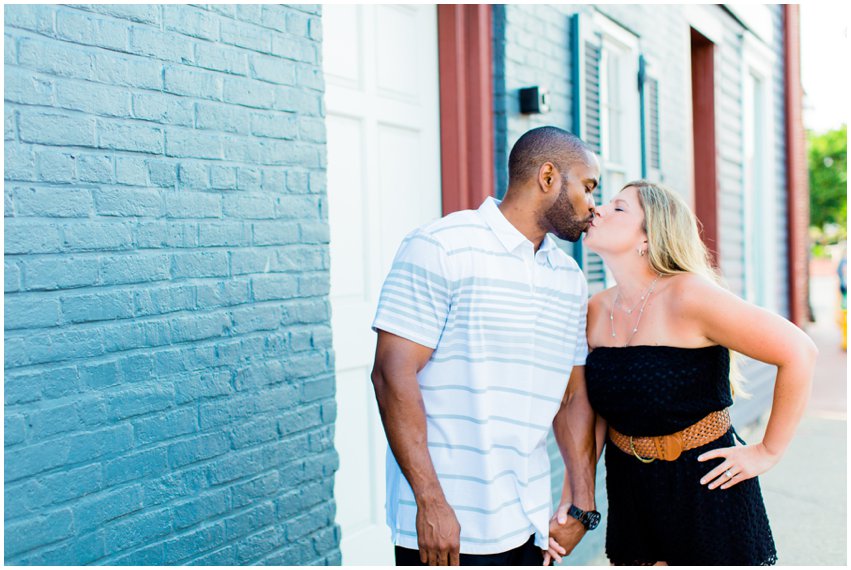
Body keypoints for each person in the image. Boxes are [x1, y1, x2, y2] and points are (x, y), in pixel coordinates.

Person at [550, 180, 817, 565]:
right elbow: (595, 415)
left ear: (649, 236)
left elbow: (798, 351)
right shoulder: (594, 310)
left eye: (619, 207)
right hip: (631, 487)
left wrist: (766, 452)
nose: (599, 210)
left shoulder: (689, 296)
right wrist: (575, 499)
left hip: (706, 485)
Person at [370, 126, 601, 565]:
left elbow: (572, 396)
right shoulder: (441, 247)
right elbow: (390, 374)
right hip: (447, 528)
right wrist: (431, 502)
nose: (594, 204)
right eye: (587, 187)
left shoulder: (568, 278)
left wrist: (582, 506)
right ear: (548, 177)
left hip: (530, 524)